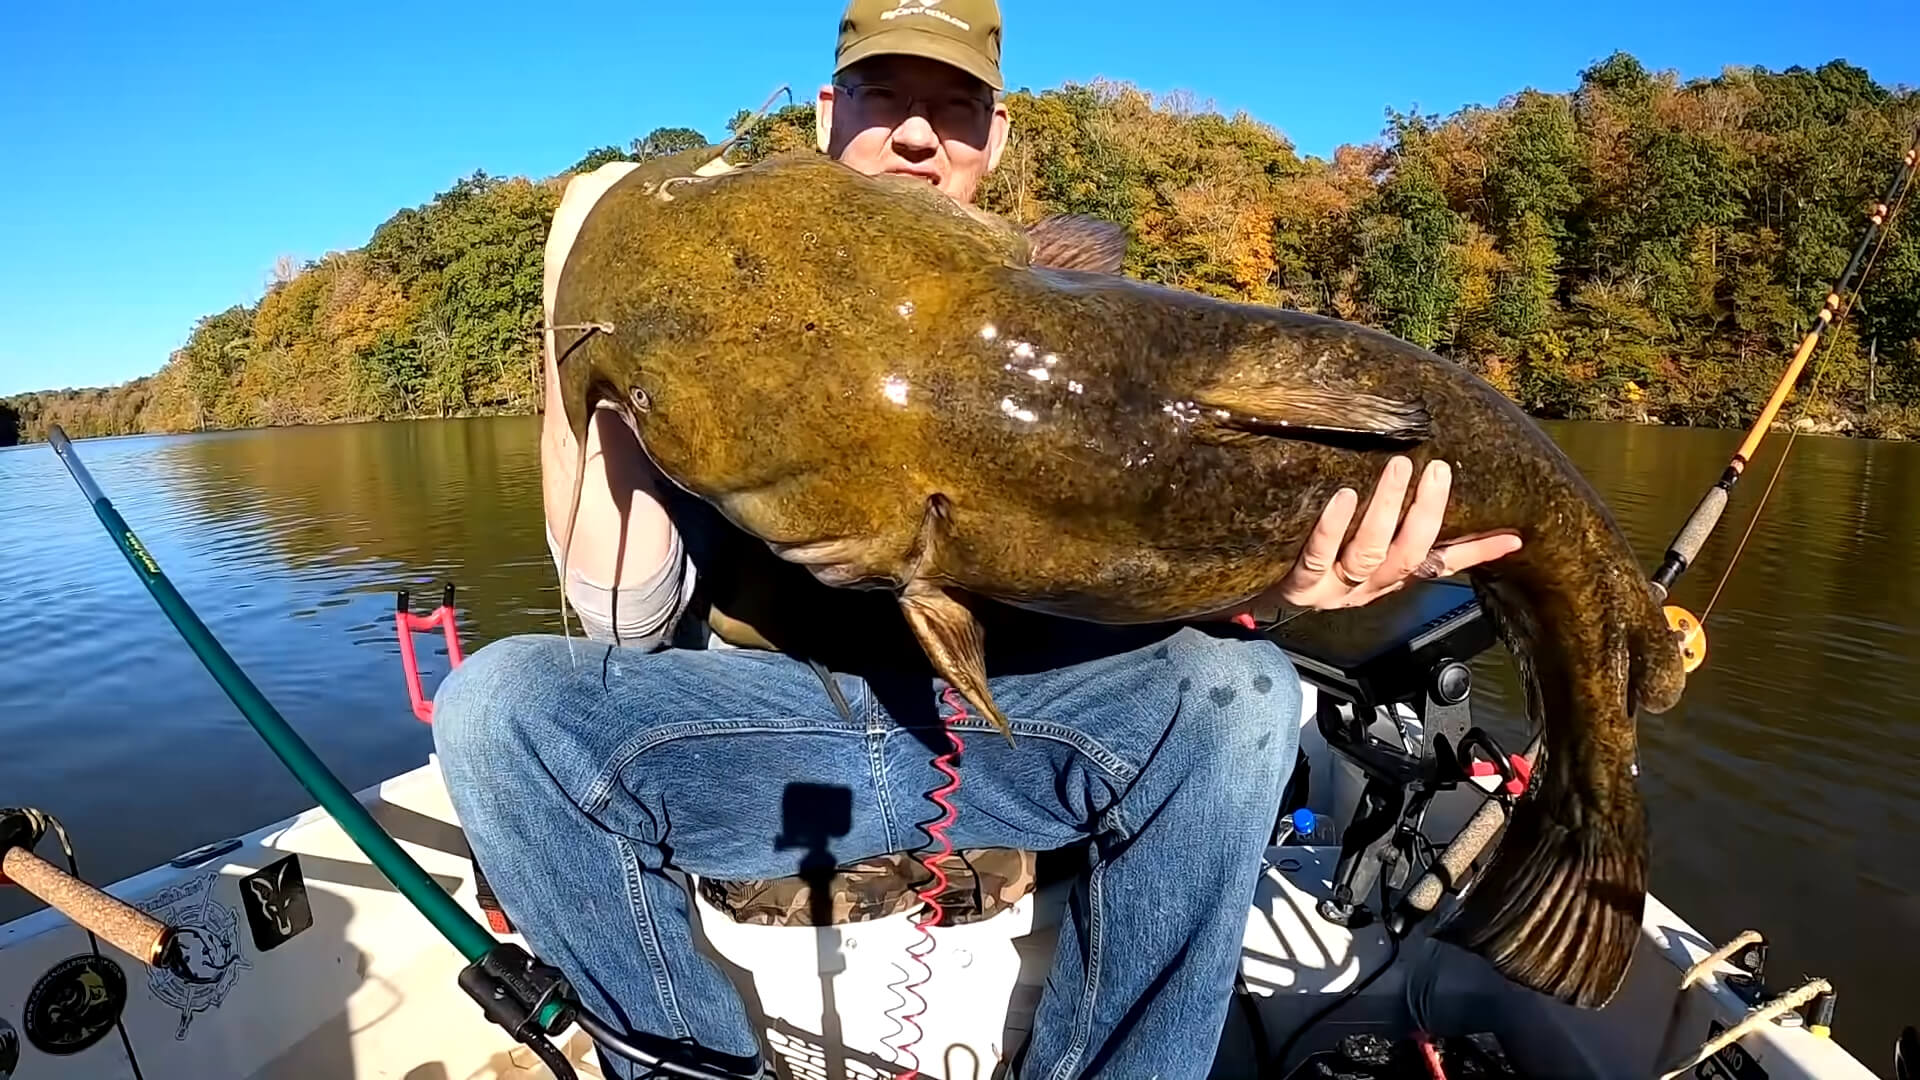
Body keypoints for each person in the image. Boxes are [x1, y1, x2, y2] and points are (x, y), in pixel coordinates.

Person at [431, 1, 1523, 1077]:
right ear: (825, 110)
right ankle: (686, 1069)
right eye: (883, 95)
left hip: (1013, 738)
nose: (917, 132)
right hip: (764, 732)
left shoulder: (1073, 319)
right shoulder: (710, 287)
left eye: (955, 108)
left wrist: (1303, 581)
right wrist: (575, 324)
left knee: (1242, 691)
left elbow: (1170, 577)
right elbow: (620, 617)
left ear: (994, 140)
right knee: (497, 710)